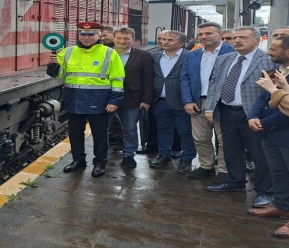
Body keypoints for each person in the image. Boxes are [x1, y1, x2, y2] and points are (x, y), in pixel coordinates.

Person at [204, 26, 275, 209]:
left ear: (257, 40)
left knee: (259, 153)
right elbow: (214, 85)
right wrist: (210, 107)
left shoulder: (268, 60)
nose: (237, 40)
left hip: (254, 114)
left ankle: (265, 190)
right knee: (231, 149)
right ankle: (235, 181)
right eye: (235, 37)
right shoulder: (224, 59)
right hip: (227, 111)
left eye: (243, 37)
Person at [247, 35, 289, 238]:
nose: (268, 52)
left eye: (273, 49)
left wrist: (265, 124)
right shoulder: (281, 70)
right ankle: (282, 206)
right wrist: (254, 115)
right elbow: (265, 95)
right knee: (279, 172)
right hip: (271, 134)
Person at [47, 22, 125, 177]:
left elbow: (117, 78)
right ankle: (78, 160)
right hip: (74, 99)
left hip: (99, 100)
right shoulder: (67, 52)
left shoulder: (109, 53)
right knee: (75, 133)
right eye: (83, 34)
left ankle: (100, 163)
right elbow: (57, 75)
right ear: (79, 35)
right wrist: (52, 65)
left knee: (100, 135)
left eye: (91, 34)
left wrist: (114, 101)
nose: (86, 37)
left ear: (98, 36)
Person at [180, 22, 234, 181]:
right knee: (200, 137)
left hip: (223, 103)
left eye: (208, 33)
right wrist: (187, 101)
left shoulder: (232, 52)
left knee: (224, 139)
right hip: (198, 102)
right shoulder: (193, 54)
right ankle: (206, 166)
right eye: (201, 34)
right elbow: (185, 78)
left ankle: (224, 170)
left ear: (220, 34)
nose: (204, 37)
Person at [150, 30, 195, 173]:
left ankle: (186, 159)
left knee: (185, 131)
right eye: (163, 39)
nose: (164, 42)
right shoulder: (155, 56)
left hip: (182, 101)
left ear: (181, 43)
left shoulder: (190, 56)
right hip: (160, 100)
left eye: (170, 40)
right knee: (163, 129)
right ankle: (164, 154)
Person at [112, 27, 153, 168]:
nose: (122, 41)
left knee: (129, 128)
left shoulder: (143, 56)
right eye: (119, 38)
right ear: (113, 39)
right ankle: (101, 155)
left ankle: (129, 154)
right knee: (102, 129)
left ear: (132, 39)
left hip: (132, 98)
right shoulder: (106, 54)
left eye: (126, 38)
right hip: (107, 97)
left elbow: (148, 79)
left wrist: (146, 100)